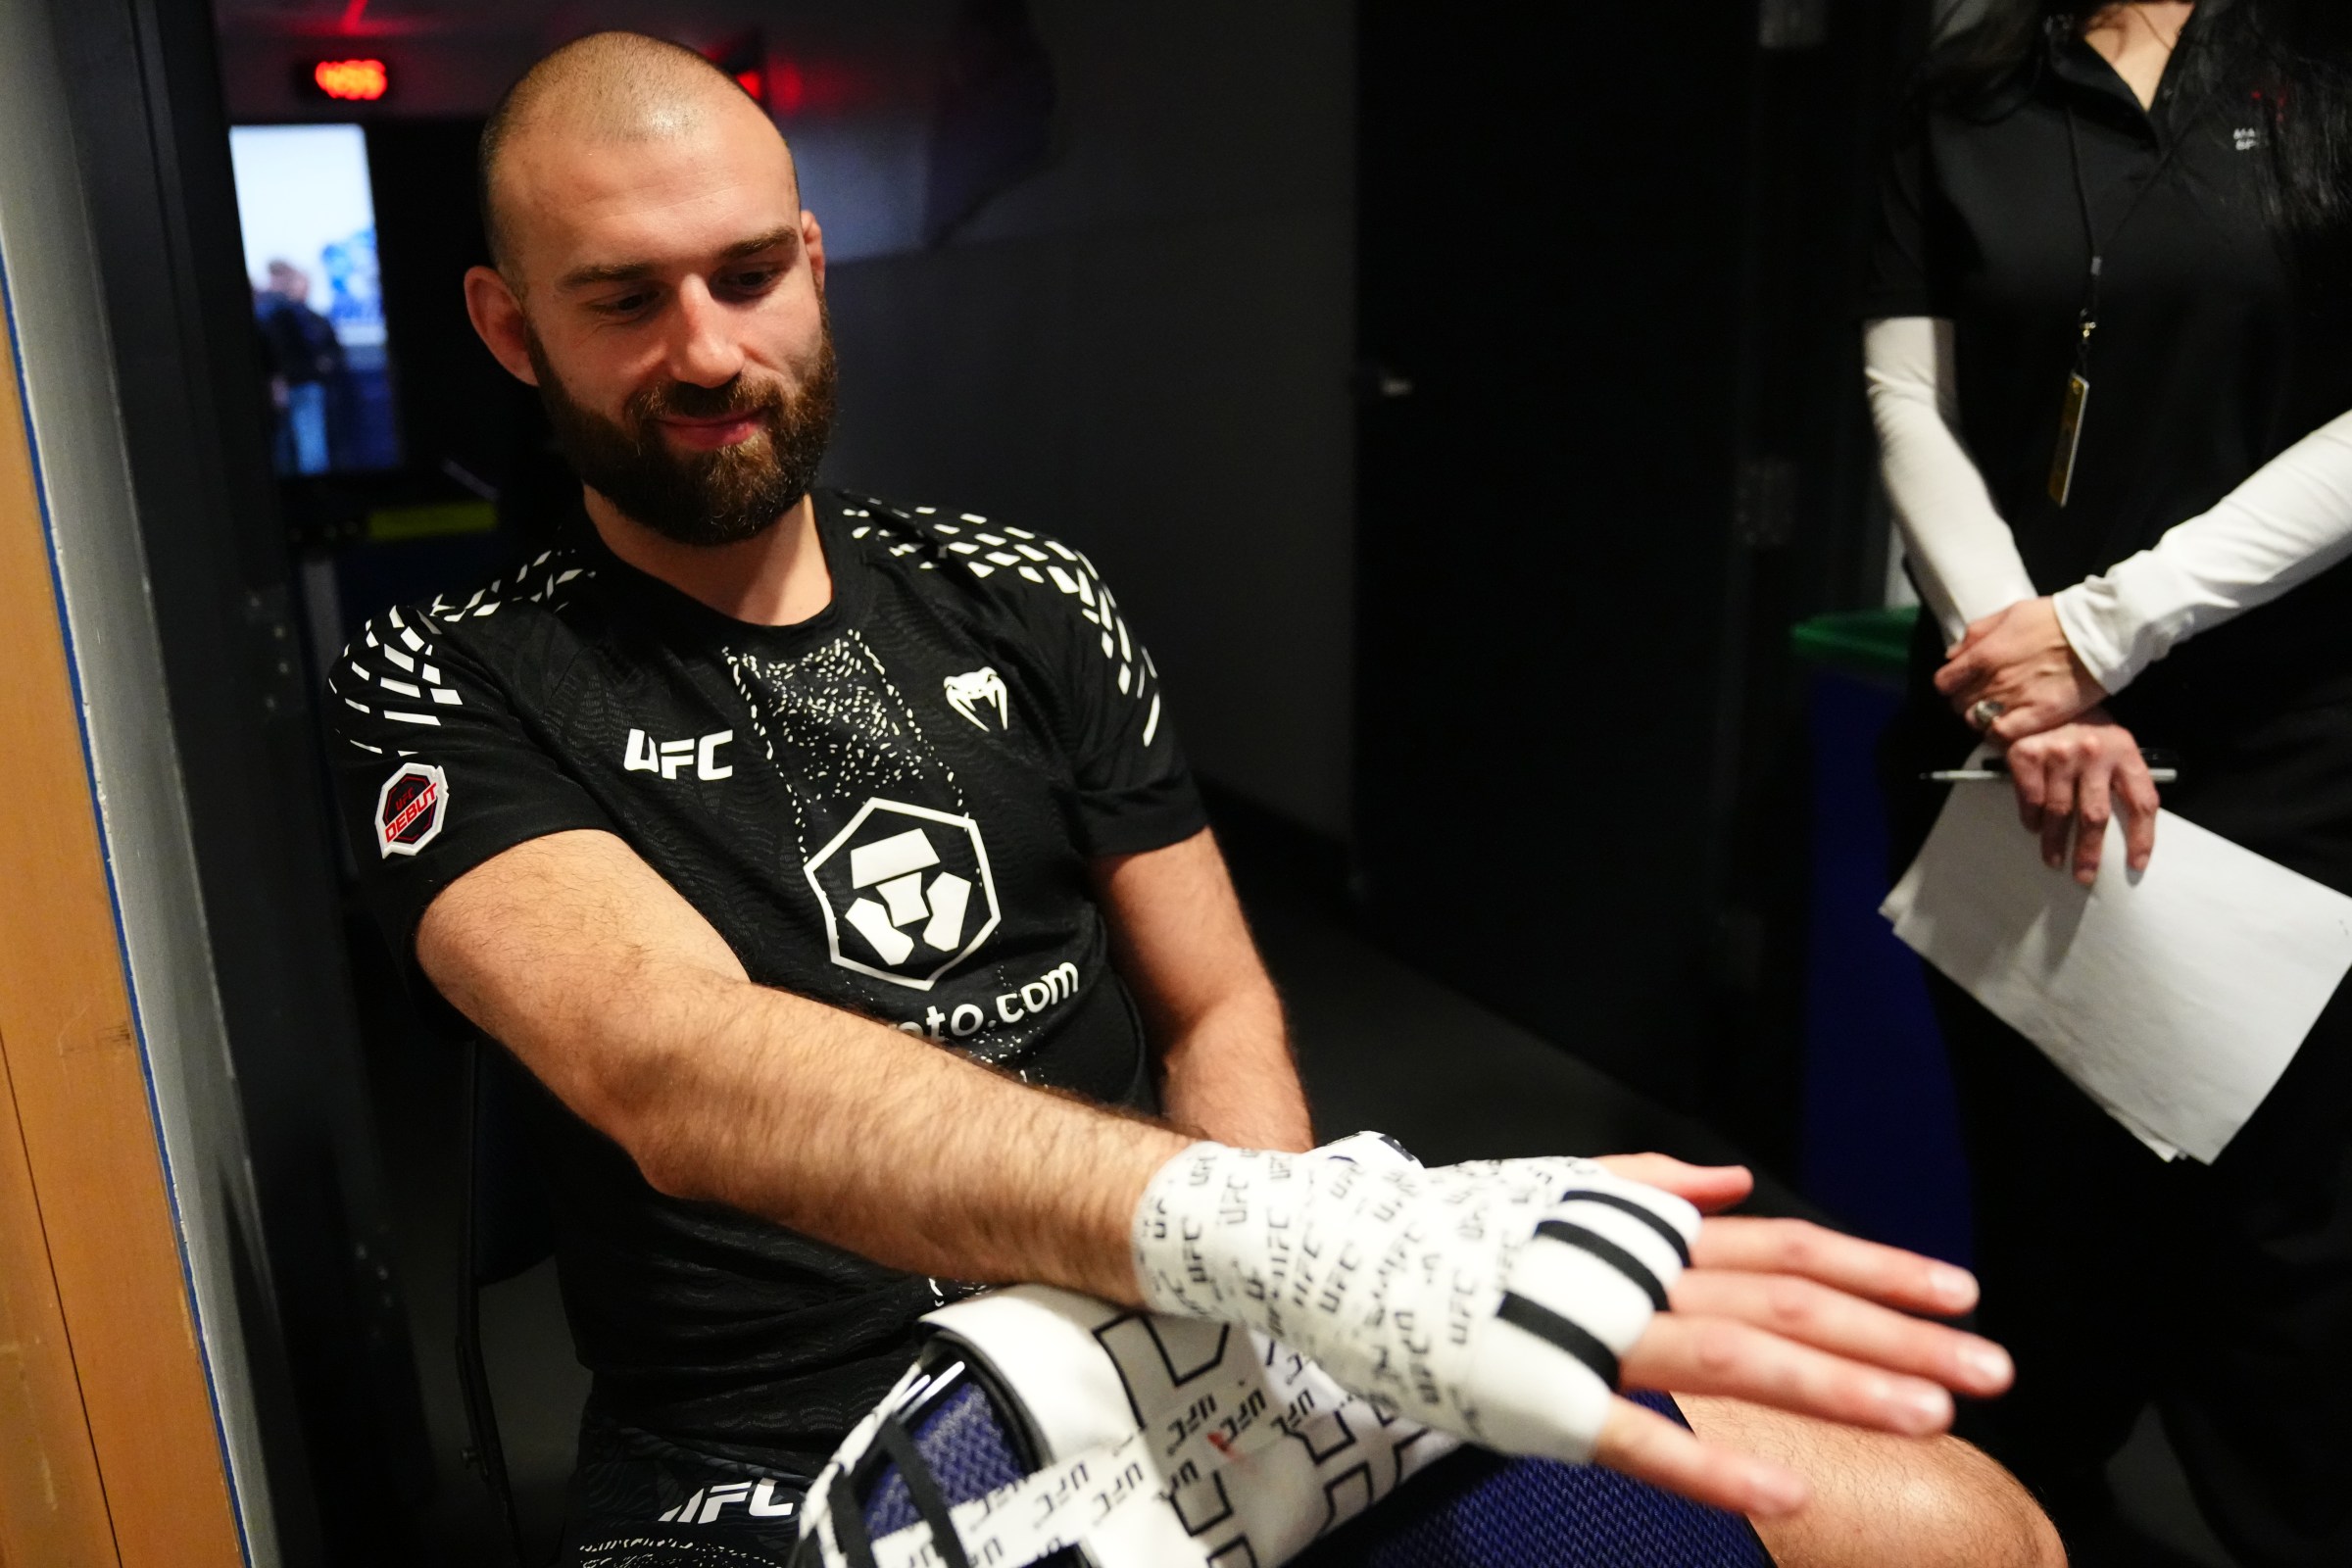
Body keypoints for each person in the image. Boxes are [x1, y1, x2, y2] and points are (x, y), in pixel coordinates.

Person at [329, 32, 2056, 1568]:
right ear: (510, 324)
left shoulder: (1022, 593)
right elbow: (666, 1063)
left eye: (748, 272)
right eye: (624, 298)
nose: (709, 353)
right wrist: (1303, 1242)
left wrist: (1290, 1316)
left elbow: (1215, 995)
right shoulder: (449, 671)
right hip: (782, 1445)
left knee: (1968, 1526)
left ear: (815, 263)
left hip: (1167, 1340)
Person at [1864, 2, 2352, 1562]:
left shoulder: (2331, 63)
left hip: (2289, 757)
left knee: (2288, 1271)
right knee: (2049, 1236)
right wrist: (2027, 688)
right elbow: (1906, 400)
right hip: (2010, 754)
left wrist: (2100, 631)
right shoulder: (1962, 90)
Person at [257, 259, 344, 474]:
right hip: (284, 386)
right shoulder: (275, 312)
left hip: (303, 384)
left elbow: (327, 350)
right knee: (289, 445)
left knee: (310, 445)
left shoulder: (306, 316)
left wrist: (320, 367)